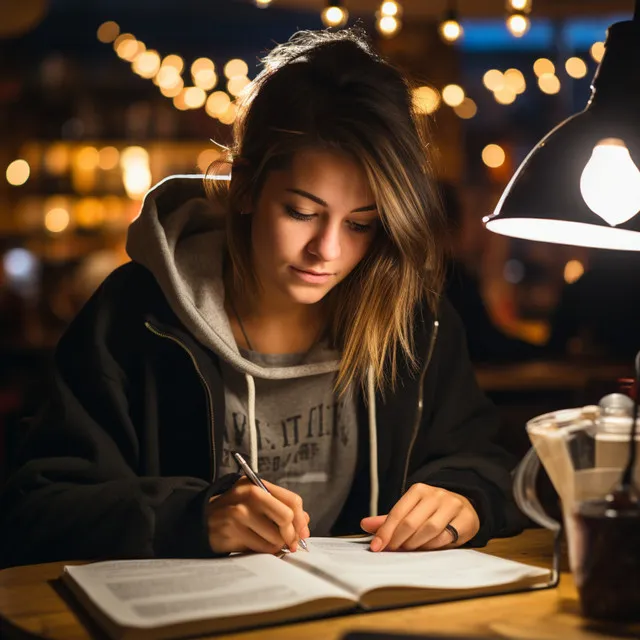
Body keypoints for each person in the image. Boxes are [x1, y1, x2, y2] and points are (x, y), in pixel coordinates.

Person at [0, 28, 524, 568]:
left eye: (362, 224)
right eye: (301, 212)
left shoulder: (414, 322)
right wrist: (192, 518)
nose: (328, 250)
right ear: (245, 185)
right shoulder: (138, 316)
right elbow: (33, 509)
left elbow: (488, 463)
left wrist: (466, 499)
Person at [439, 181, 541, 364]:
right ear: (449, 225)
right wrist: (547, 350)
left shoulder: (443, 275)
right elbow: (487, 344)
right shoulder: (452, 278)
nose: (481, 226)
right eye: (473, 215)